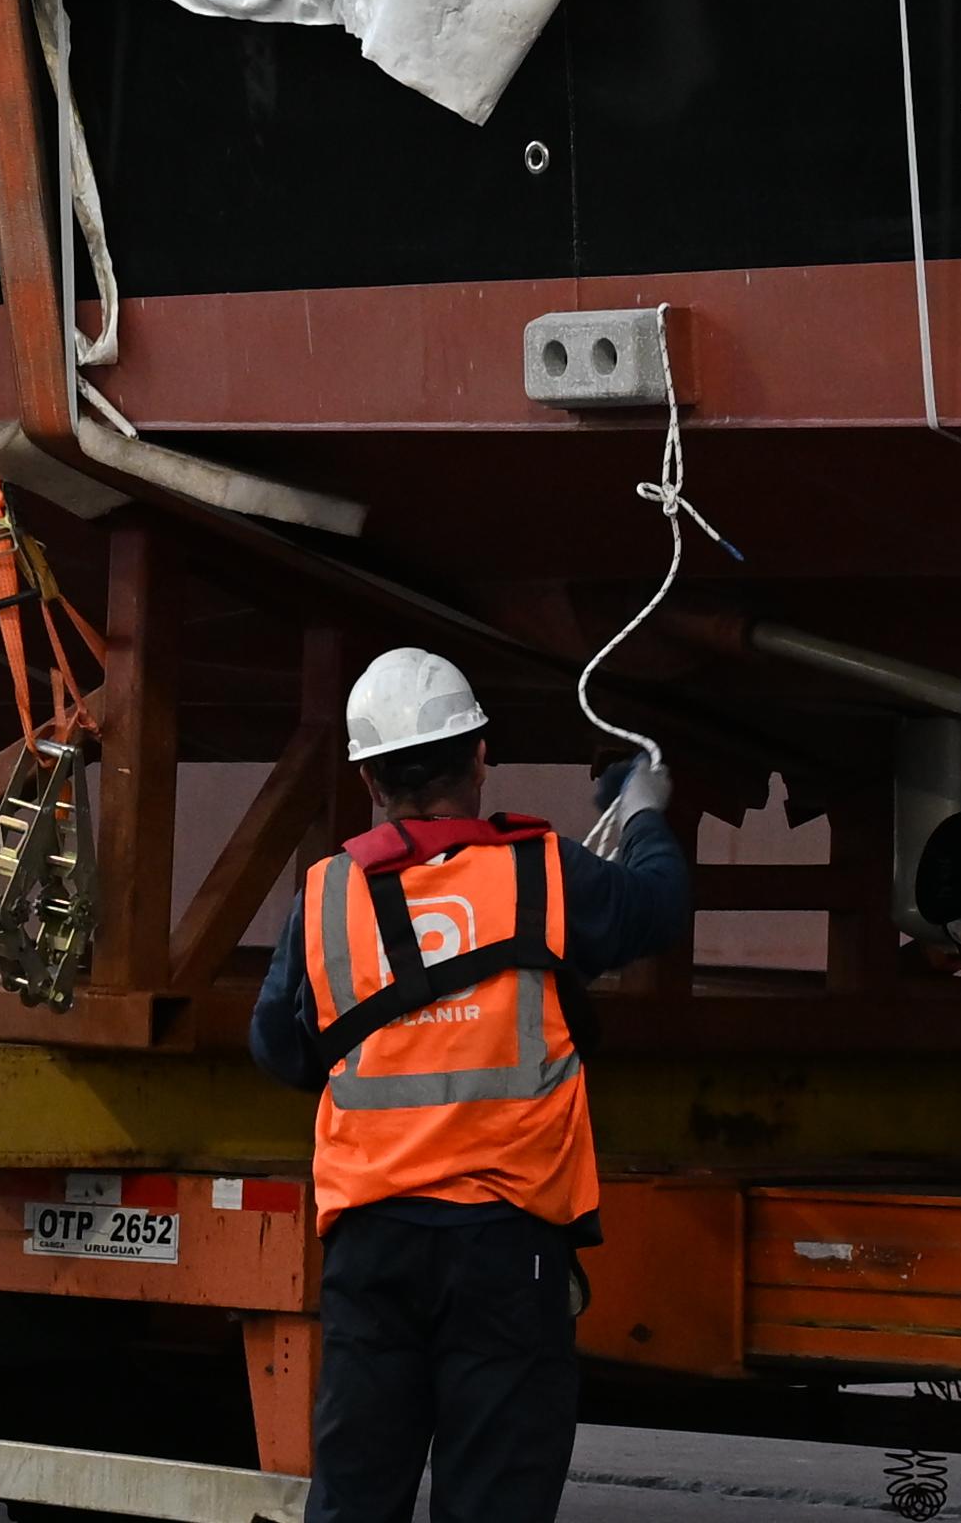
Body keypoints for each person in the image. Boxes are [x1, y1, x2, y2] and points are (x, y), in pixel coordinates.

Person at [251, 652, 691, 1523]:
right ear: (482, 754)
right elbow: (659, 907)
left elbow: (278, 1048)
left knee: (354, 1504)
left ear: (370, 778)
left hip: (372, 1253)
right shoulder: (548, 874)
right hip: (507, 1251)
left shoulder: (326, 894)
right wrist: (640, 814)